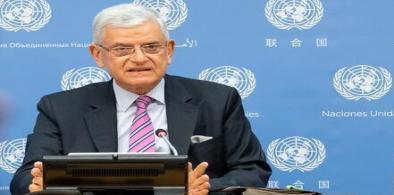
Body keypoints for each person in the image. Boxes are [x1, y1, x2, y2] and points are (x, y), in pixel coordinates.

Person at [10, 3, 271, 195]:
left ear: (168, 50)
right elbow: (25, 179)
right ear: (97, 55)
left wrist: (201, 188)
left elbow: (252, 171)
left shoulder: (218, 100)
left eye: (151, 47)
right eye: (122, 49)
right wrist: (37, 184)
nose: (139, 58)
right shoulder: (60, 107)